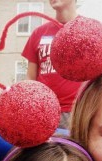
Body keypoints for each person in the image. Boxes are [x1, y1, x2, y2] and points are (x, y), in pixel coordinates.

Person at [21, 0, 82, 129]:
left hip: (78, 111)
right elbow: (31, 78)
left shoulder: (88, 30)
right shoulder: (39, 33)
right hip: (44, 111)